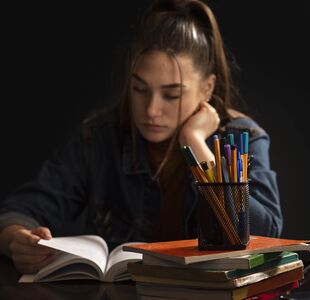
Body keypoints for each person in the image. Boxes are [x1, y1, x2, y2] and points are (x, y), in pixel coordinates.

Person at [0, 0, 282, 274]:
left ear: (207, 88)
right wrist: (20, 242)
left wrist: (196, 143)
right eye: (139, 89)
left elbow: (267, 233)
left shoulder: (243, 138)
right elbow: (17, 213)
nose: (151, 110)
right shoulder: (101, 138)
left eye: (172, 94)